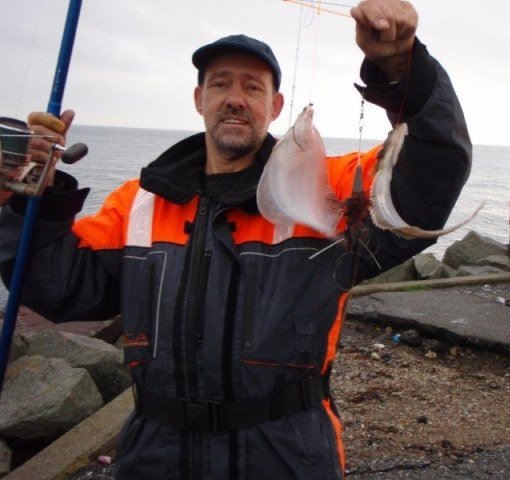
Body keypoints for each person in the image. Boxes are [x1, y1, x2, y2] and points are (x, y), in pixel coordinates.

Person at [0, 1, 471, 478]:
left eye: (253, 87)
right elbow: (58, 288)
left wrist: (403, 67)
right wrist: (29, 197)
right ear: (199, 98)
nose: (235, 98)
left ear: (276, 106)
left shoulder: (326, 189)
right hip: (155, 452)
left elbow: (429, 179)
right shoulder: (138, 203)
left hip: (286, 451)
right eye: (221, 83)